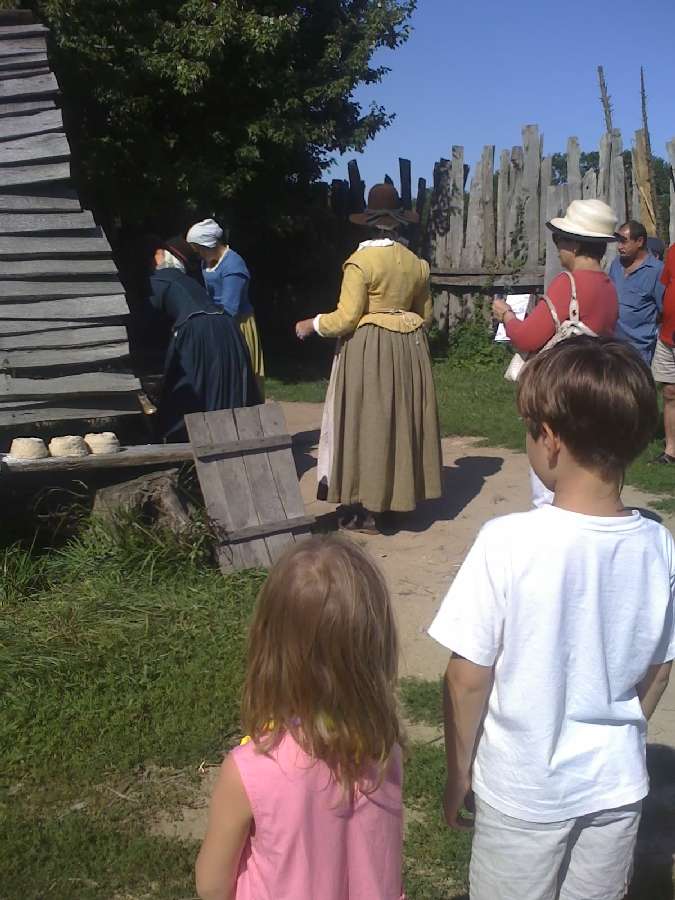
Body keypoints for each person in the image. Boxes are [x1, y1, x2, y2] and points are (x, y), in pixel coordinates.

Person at [428, 337, 674, 900]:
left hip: (523, 790)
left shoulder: (507, 542)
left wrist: (459, 772)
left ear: (551, 439)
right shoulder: (658, 546)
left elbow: (466, 678)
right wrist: (617, 737)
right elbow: (660, 670)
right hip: (615, 787)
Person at [195, 536, 404, 900]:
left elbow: (211, 886)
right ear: (377, 643)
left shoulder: (250, 770)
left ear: (268, 642)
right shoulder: (385, 749)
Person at [294, 183, 442, 533]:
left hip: (371, 349)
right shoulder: (417, 264)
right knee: (399, 422)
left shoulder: (360, 262)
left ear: (368, 223)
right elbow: (426, 316)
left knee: (369, 423)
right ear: (398, 222)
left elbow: (346, 318)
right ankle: (397, 500)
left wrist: (312, 324)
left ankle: (369, 509)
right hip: (409, 349)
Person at [492, 198, 619, 507]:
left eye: (560, 239)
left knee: (550, 474)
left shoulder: (568, 284)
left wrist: (506, 316)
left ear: (574, 244)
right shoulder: (608, 286)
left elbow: (526, 338)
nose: (558, 246)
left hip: (560, 385)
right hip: (593, 382)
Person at [146, 238, 259, 442]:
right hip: (226, 326)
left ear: (164, 257)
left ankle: (183, 441)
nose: (154, 258)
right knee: (222, 384)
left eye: (157, 253)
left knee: (187, 386)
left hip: (199, 328)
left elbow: (149, 318)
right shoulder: (188, 281)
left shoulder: (162, 278)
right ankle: (227, 437)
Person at [186, 219, 265, 400]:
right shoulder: (207, 263)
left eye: (198, 249)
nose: (198, 254)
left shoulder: (233, 266)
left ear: (208, 245)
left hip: (236, 325)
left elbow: (230, 308)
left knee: (240, 375)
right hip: (218, 320)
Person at [609, 220, 665, 365]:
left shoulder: (657, 271)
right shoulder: (616, 264)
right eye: (618, 241)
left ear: (639, 241)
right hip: (612, 346)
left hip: (639, 352)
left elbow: (663, 312)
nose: (619, 246)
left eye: (624, 241)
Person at [652, 241, 675, 464]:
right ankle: (671, 450)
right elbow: (666, 287)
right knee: (669, 391)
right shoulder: (674, 250)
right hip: (668, 335)